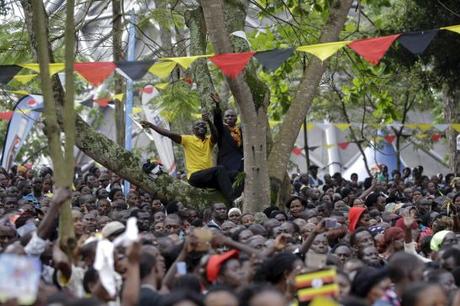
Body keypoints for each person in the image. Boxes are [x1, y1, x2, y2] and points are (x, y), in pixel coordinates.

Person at [141, 115, 235, 203]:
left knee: (236, 175)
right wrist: (151, 125)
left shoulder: (209, 140)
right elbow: (168, 134)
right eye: (198, 125)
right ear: (193, 130)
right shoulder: (187, 139)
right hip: (195, 176)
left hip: (208, 177)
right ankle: (232, 199)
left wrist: (209, 122)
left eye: (203, 125)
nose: (201, 126)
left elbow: (215, 136)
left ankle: (228, 198)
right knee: (220, 169)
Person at [211, 93, 243, 175]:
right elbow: (217, 121)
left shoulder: (241, 130)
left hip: (240, 163)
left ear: (236, 118)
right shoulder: (222, 129)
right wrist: (217, 105)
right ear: (224, 119)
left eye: (232, 116)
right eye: (227, 116)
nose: (229, 117)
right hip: (226, 163)